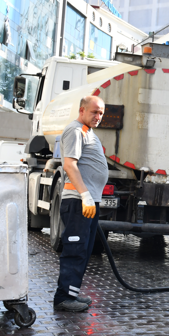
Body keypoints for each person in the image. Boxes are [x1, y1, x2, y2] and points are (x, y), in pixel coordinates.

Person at [53, 96, 109, 312]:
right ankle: (63, 297)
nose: (98, 116)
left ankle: (72, 293)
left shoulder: (87, 131)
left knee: (83, 250)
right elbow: (69, 165)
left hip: (87, 202)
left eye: (101, 113)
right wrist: (85, 195)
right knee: (75, 248)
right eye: (94, 112)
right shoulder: (75, 130)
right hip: (78, 202)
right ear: (82, 110)